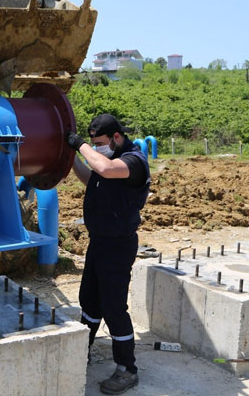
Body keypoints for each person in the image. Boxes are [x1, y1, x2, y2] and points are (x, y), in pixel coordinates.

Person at [66, 113, 150, 395]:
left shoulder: (133, 160)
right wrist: (72, 159)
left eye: (100, 142)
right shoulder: (107, 162)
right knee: (89, 301)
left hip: (118, 244)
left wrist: (79, 145)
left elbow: (104, 167)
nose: (97, 147)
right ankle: (83, 350)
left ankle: (127, 368)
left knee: (114, 307)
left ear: (116, 137)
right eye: (93, 143)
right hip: (99, 242)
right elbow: (92, 176)